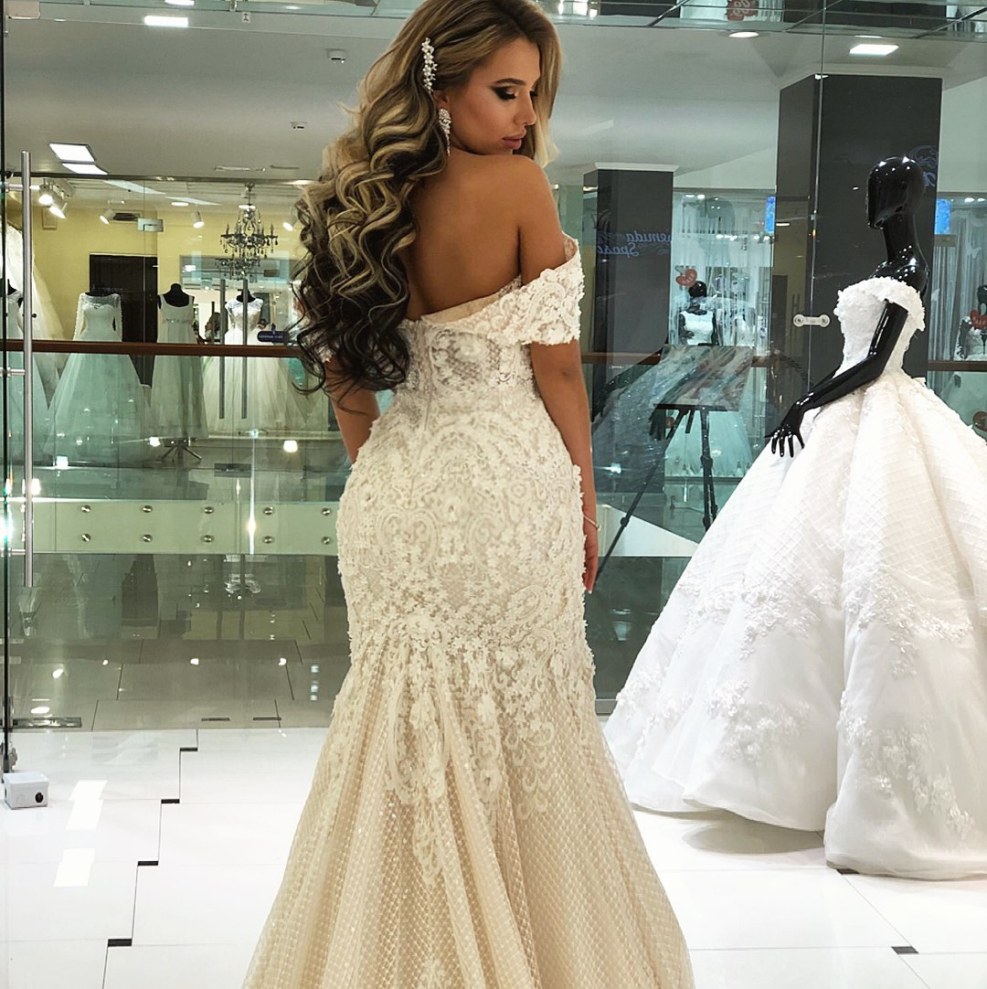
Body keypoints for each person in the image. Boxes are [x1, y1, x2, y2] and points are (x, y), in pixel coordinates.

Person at [242, 2, 694, 987]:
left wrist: (385, 470)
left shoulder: (350, 204)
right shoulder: (518, 187)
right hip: (505, 489)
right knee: (525, 719)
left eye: (534, 95)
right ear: (439, 88)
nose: (526, 117)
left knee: (397, 721)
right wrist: (582, 499)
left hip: (398, 491)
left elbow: (344, 378)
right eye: (506, 91)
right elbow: (559, 372)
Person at [605, 155, 987, 880]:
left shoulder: (909, 266)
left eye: (885, 187)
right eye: (871, 186)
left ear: (906, 197)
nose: (871, 197)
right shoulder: (890, 263)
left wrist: (806, 401)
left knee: (877, 563)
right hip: (843, 417)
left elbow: (875, 364)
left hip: (875, 414)